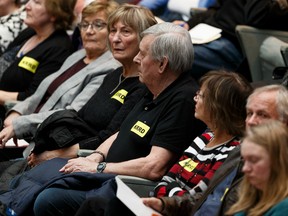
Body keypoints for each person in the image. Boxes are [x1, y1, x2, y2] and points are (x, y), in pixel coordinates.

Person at [0, 22, 205, 216]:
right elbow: (120, 132)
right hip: (103, 174)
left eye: (143, 54)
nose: (136, 59)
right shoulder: (152, 87)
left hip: (125, 188)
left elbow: (153, 167)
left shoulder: (183, 99)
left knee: (49, 197)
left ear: (162, 64)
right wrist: (95, 156)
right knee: (34, 174)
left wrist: (98, 167)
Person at [101, 70, 252, 216]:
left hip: (174, 210)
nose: (195, 99)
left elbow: (197, 198)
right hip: (162, 205)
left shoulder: (231, 152)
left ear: (217, 106)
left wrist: (170, 191)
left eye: (201, 95)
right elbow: (165, 181)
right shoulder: (204, 138)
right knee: (100, 205)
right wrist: (172, 192)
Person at [26, 3, 157, 167]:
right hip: (67, 151)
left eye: (125, 31)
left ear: (145, 40)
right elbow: (78, 119)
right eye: (113, 31)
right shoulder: (113, 75)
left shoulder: (143, 86)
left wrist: (53, 155)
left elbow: (109, 137)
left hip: (85, 161)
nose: (116, 38)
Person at [142, 84, 288, 216]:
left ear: (285, 122)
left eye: (262, 115)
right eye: (249, 114)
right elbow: (207, 198)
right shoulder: (238, 151)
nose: (251, 122)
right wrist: (166, 204)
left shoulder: (278, 173)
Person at [0, 1, 120, 160]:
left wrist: (21, 124)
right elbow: (39, 94)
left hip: (51, 144)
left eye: (98, 25)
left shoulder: (110, 68)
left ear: (112, 31)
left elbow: (71, 113)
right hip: (30, 134)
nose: (89, 31)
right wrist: (17, 112)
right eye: (84, 25)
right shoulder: (78, 56)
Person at [173, 0, 288, 81]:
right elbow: (216, 9)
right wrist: (188, 24)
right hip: (207, 33)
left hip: (234, 43)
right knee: (162, 44)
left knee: (173, 56)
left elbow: (256, 17)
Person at [0, 0, 77, 120]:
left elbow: (34, 97)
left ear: (55, 14)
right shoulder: (30, 32)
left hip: (11, 116)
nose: (27, 6)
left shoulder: (59, 49)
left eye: (37, 2)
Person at [226, 120, 288, 215]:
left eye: (253, 160)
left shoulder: (284, 208)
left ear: (278, 160)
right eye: (244, 160)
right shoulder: (250, 197)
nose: (245, 168)